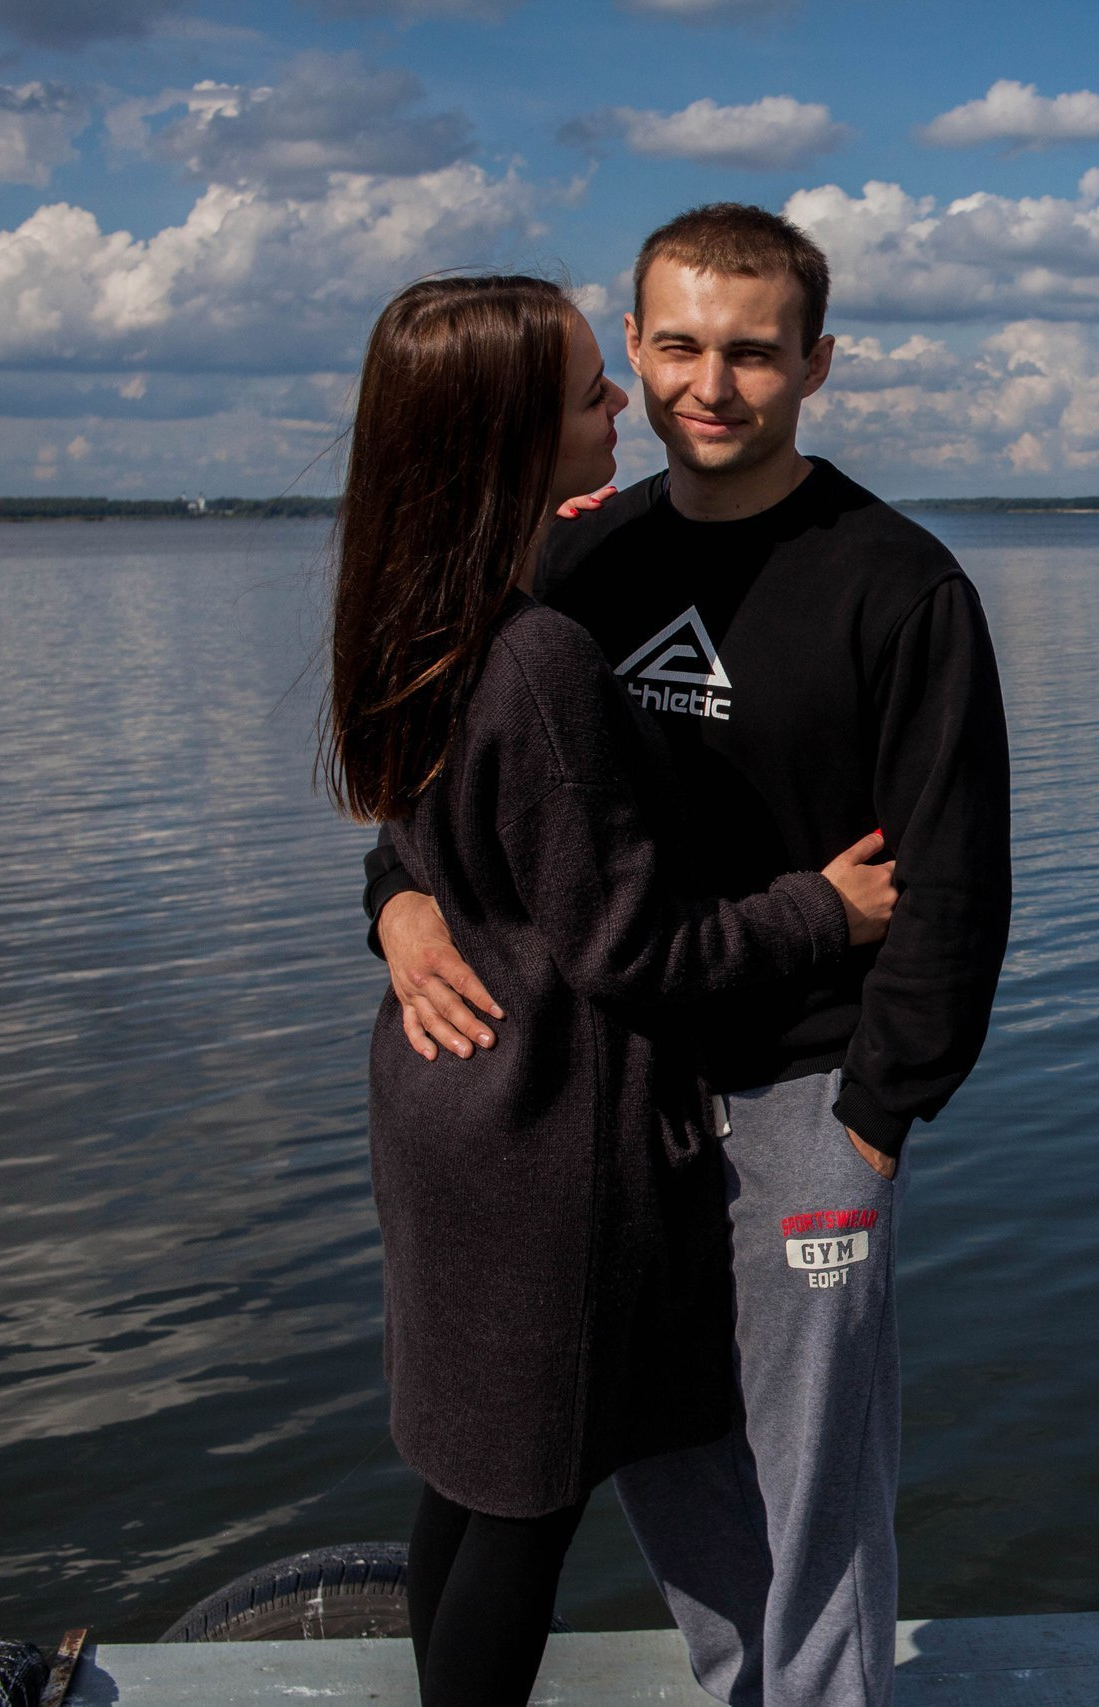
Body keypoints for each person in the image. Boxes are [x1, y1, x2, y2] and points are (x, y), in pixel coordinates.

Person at [360, 207, 1014, 1707]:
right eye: (672, 347)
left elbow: (956, 885)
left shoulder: (897, 587)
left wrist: (876, 1112)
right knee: (671, 1468)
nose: (708, 385)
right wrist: (394, 909)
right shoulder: (575, 565)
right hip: (612, 1110)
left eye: (752, 352)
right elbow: (447, 809)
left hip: (803, 1095)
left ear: (817, 364)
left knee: (815, 1478)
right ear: (637, 350)